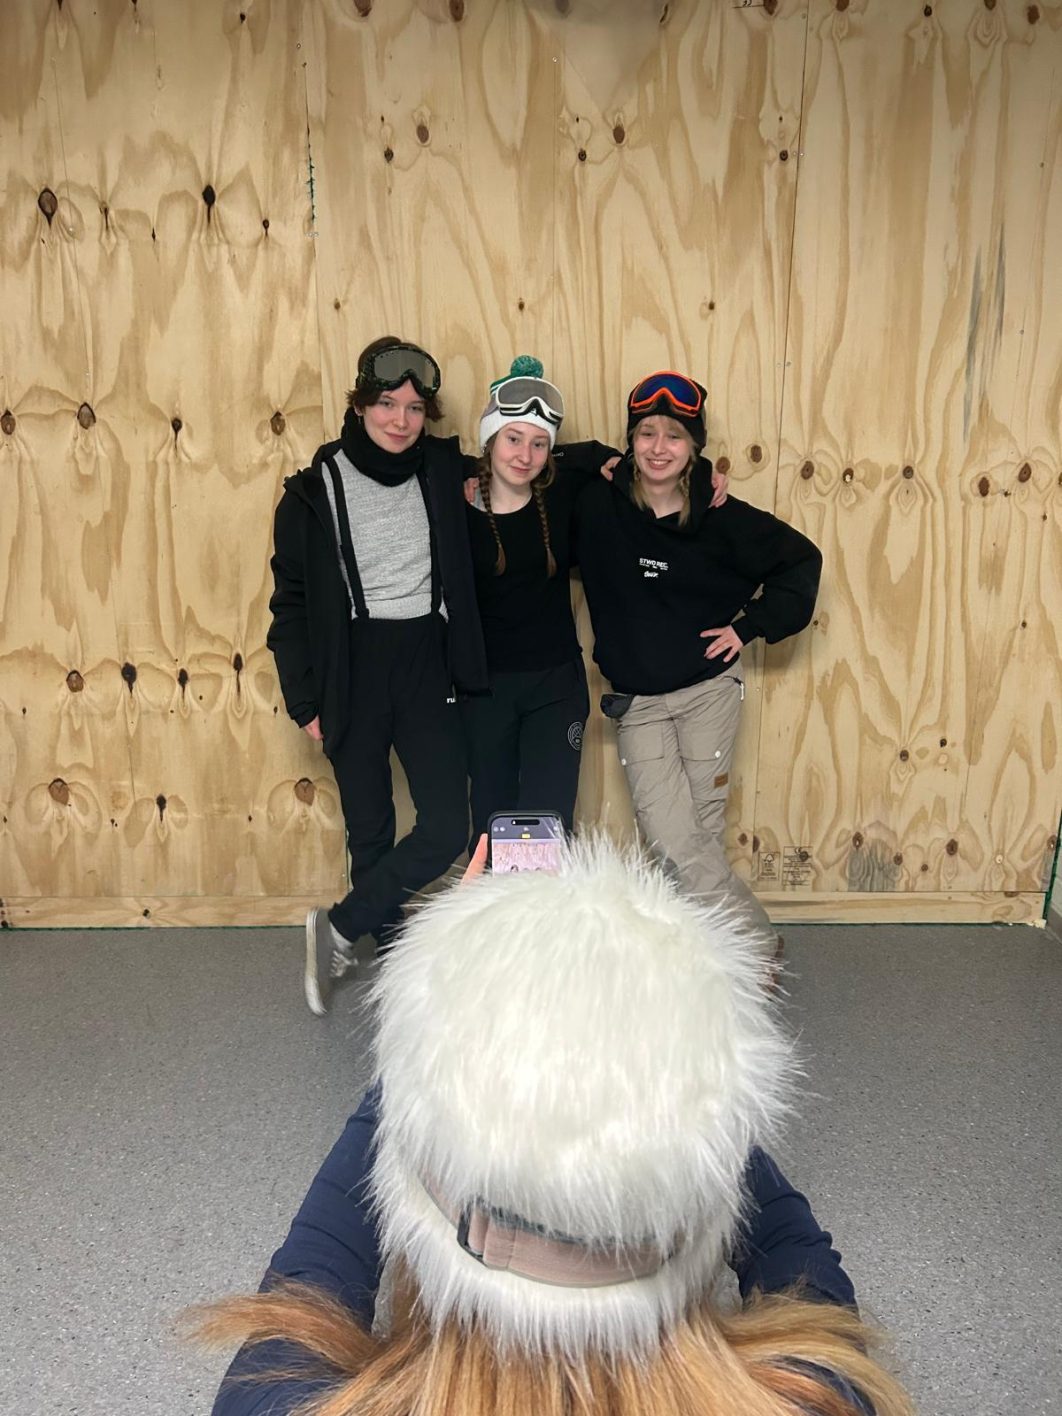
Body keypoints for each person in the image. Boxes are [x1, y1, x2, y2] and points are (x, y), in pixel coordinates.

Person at [192, 836, 914, 1416]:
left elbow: (315, 1270)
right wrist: (683, 1052)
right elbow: (794, 1253)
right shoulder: (823, 1396)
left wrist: (438, 1005)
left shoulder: (271, 1401)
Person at [267, 336, 487, 1017]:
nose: (400, 420)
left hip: (425, 660)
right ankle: (388, 955)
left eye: (415, 408)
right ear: (360, 404)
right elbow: (290, 606)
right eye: (388, 404)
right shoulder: (312, 493)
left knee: (446, 825)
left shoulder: (444, 470)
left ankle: (336, 927)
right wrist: (304, 698)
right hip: (352, 668)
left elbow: (528, 460)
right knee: (370, 829)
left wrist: (608, 463)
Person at [574, 370, 823, 956]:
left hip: (707, 694)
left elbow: (800, 563)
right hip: (639, 702)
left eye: (675, 437)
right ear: (630, 442)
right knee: (672, 836)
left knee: (700, 835)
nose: (659, 448)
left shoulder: (721, 515)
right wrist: (596, 458)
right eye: (646, 434)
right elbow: (538, 460)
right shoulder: (597, 504)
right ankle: (755, 946)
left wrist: (748, 627)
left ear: (694, 448)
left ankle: (698, 961)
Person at [458, 357, 611, 839]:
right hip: (485, 691)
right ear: (490, 439)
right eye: (513, 439)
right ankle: (492, 895)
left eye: (539, 443)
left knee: (548, 823)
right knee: (491, 821)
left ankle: (546, 895)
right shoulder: (455, 500)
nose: (525, 455)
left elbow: (609, 458)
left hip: (555, 687)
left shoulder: (562, 493)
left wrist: (704, 473)